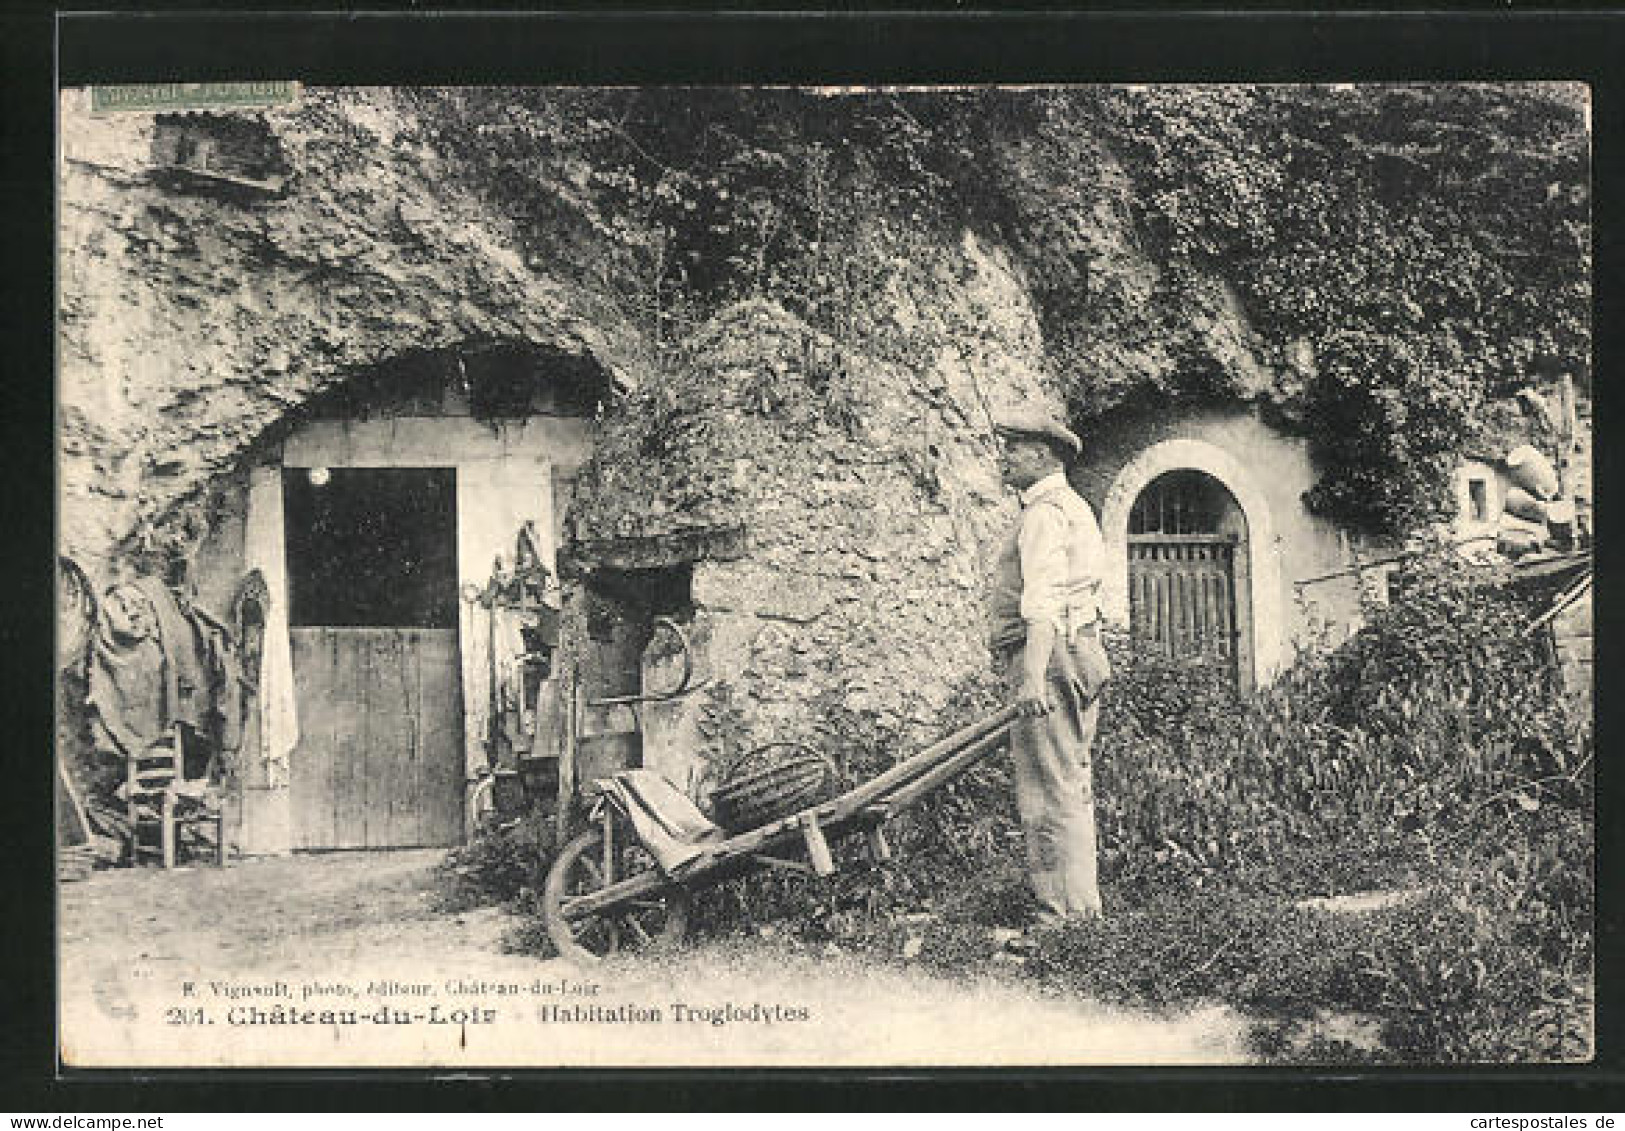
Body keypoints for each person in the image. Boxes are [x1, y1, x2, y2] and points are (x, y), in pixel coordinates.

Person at [987, 406, 1112, 934]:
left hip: (1051, 653)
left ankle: (1061, 919)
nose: (1005, 458)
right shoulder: (1073, 507)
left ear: (1042, 455)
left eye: (1014, 449)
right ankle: (1080, 911)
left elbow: (1043, 603)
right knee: (1070, 783)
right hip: (1081, 650)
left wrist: (1033, 676)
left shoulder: (1043, 513)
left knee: (1047, 789)